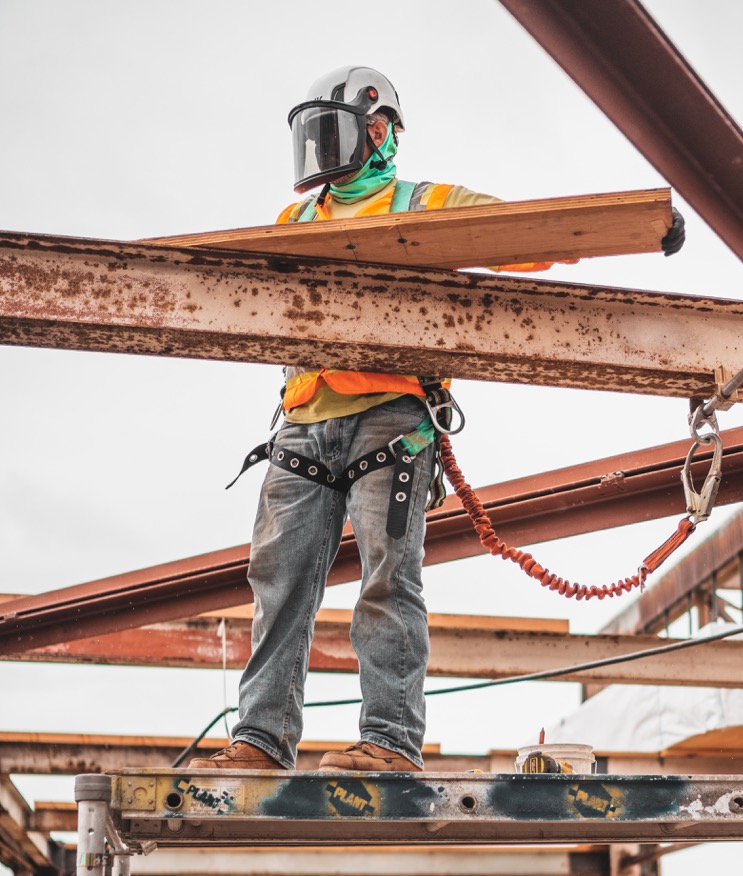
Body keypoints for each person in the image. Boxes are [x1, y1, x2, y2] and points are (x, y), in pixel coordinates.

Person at [190, 65, 685, 776]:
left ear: (379, 130)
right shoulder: (295, 220)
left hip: (390, 422)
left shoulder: (428, 205)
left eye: (333, 131)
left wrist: (639, 227)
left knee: (390, 579)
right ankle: (261, 742)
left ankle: (389, 742)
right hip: (302, 423)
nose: (320, 151)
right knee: (280, 579)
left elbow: (525, 235)